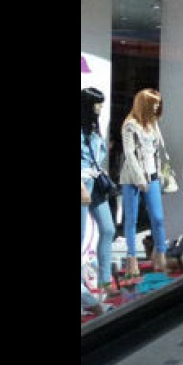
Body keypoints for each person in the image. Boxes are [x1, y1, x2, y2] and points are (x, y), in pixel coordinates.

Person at [119, 88, 173, 277]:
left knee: (158, 218)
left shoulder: (153, 124)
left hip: (153, 175)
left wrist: (163, 172)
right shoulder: (130, 125)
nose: (157, 107)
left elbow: (160, 149)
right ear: (144, 104)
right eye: (154, 104)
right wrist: (139, 179)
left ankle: (160, 253)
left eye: (158, 104)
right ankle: (132, 259)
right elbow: (129, 154)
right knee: (131, 220)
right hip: (132, 178)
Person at [81, 87, 118, 299]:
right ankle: (83, 291)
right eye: (97, 103)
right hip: (83, 183)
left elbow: (98, 154)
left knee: (108, 229)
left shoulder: (94, 129)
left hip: (95, 181)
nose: (100, 107)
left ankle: (104, 281)